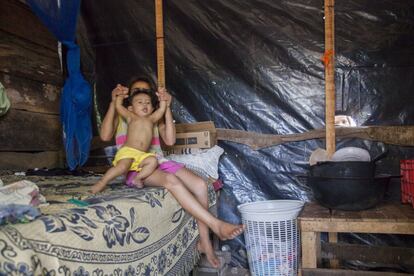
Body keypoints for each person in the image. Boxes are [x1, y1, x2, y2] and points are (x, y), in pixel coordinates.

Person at [99, 76, 244, 268]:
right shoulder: (125, 115)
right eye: (136, 92)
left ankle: (204, 242)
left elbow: (170, 140)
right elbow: (104, 136)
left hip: (160, 160)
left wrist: (166, 106)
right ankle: (216, 224)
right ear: (130, 98)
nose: (142, 100)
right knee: (171, 181)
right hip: (137, 165)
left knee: (201, 185)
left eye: (146, 95)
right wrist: (113, 101)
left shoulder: (152, 115)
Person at [91, 87, 167, 193]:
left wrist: (162, 97)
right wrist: (120, 97)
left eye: (148, 103)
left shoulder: (152, 119)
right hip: (128, 151)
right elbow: (118, 106)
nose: (144, 105)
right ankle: (102, 182)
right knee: (122, 167)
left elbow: (162, 109)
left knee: (153, 161)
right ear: (131, 108)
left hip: (142, 155)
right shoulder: (131, 117)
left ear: (152, 108)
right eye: (140, 102)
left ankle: (138, 178)